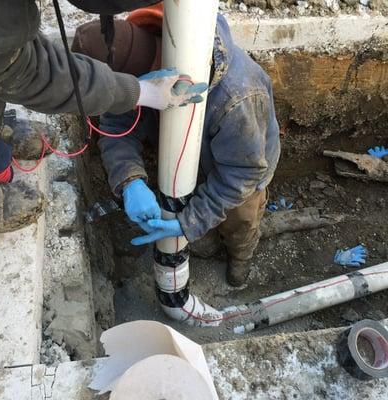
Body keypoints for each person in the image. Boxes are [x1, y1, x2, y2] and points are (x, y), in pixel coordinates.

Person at [73, 4, 281, 287]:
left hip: (243, 175)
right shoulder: (130, 75)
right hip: (188, 162)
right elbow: (116, 127)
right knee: (199, 228)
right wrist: (129, 180)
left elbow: (241, 175)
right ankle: (203, 242)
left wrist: (189, 223)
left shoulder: (238, 97)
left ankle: (240, 261)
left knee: (238, 225)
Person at [0, 0, 206, 233]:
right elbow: (26, 71)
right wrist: (138, 93)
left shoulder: (235, 98)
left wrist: (192, 224)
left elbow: (15, 51)